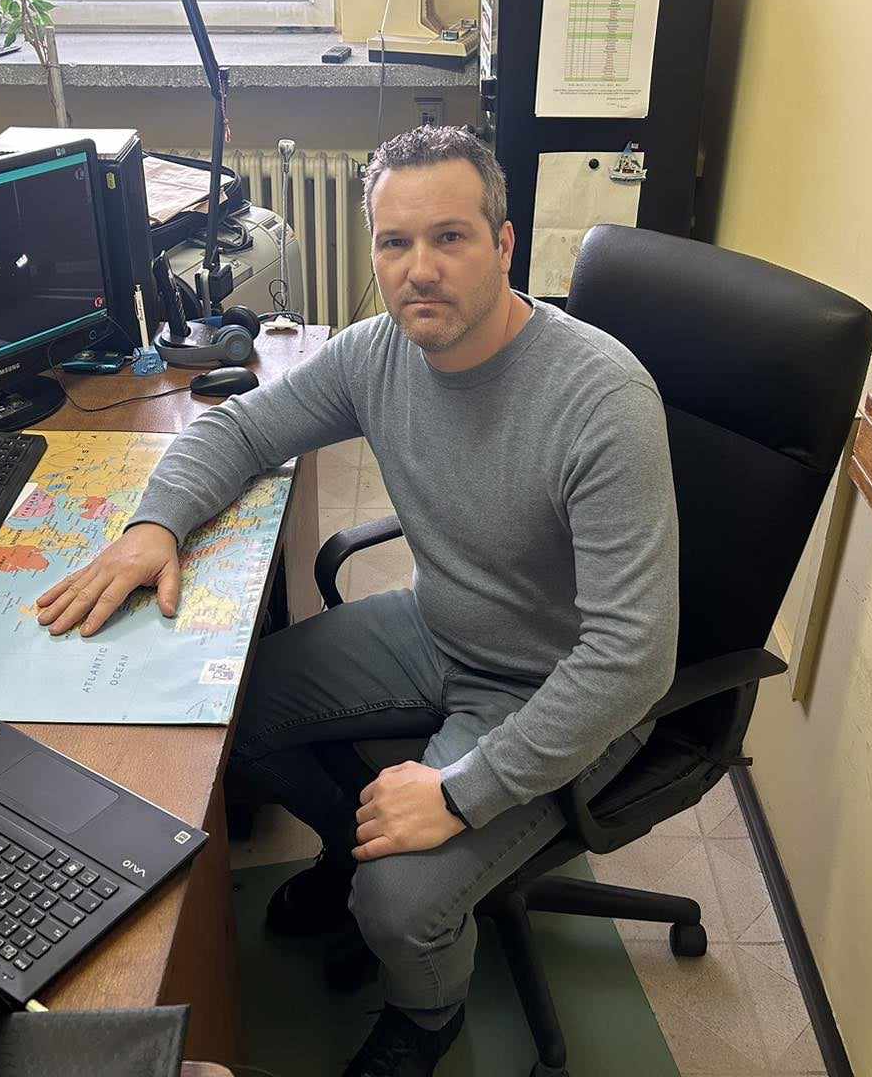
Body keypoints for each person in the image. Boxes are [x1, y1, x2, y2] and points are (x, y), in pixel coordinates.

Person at [35, 125, 678, 1076]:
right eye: (395, 242)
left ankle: (427, 1013)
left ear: (504, 244)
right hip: (439, 627)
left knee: (399, 906)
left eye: (450, 237)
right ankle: (358, 844)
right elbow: (241, 430)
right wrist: (154, 526)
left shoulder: (601, 400)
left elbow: (634, 659)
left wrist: (460, 795)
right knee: (230, 718)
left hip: (558, 685)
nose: (421, 270)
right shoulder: (378, 353)